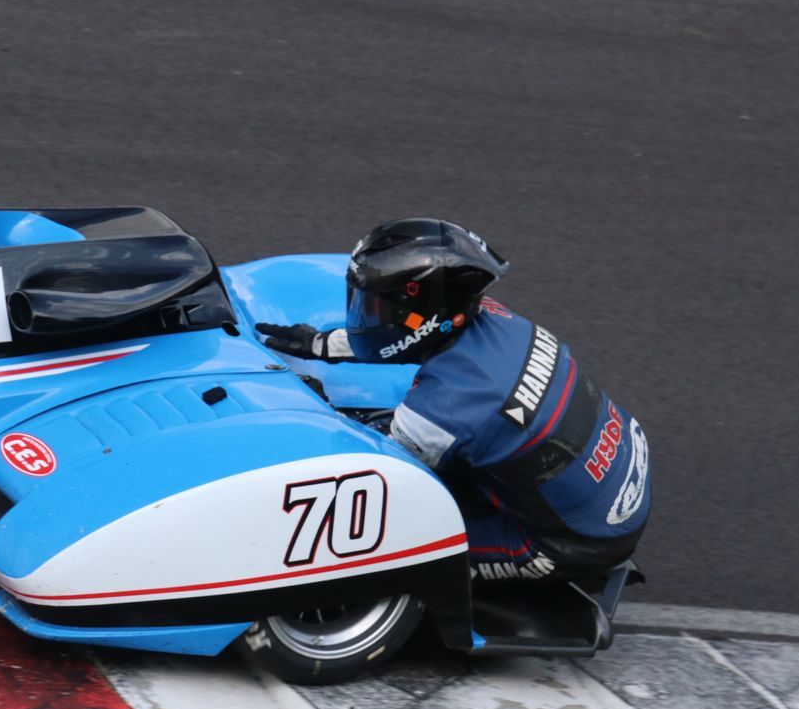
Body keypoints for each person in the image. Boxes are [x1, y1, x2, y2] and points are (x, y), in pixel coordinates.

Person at [258, 218, 650, 582]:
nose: (367, 315)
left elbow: (374, 475)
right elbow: (403, 337)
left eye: (380, 307)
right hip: (605, 476)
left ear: (429, 312)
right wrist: (319, 344)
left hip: (575, 540)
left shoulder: (447, 406)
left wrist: (317, 407)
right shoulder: (495, 318)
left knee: (381, 545)